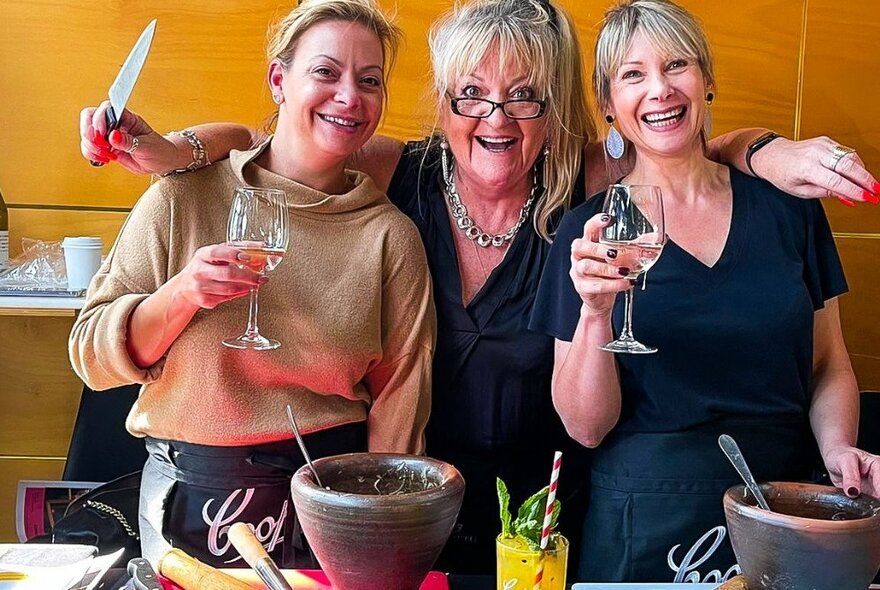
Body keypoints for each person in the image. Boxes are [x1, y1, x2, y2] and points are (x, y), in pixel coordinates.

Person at [77, 0, 879, 575]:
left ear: (558, 109)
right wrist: (180, 148)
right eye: (472, 94)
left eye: (525, 94)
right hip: (407, 498)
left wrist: (765, 151)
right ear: (444, 101)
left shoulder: (581, 185)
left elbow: (676, 137)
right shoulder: (400, 174)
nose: (497, 115)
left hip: (551, 515)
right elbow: (274, 134)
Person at [69, 0, 435, 569]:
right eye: (325, 71)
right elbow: (92, 355)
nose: (349, 96)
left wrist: (378, 532)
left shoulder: (389, 236)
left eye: (369, 81)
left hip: (329, 505)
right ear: (278, 79)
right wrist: (183, 294)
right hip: (185, 508)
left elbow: (398, 408)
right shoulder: (181, 195)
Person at [530, 0, 880, 583]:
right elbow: (585, 428)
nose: (659, 89)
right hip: (643, 525)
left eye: (677, 65)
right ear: (608, 105)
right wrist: (595, 314)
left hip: (782, 512)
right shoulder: (589, 230)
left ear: (708, 81)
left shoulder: (788, 209)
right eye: (633, 75)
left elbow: (829, 365)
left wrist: (839, 448)